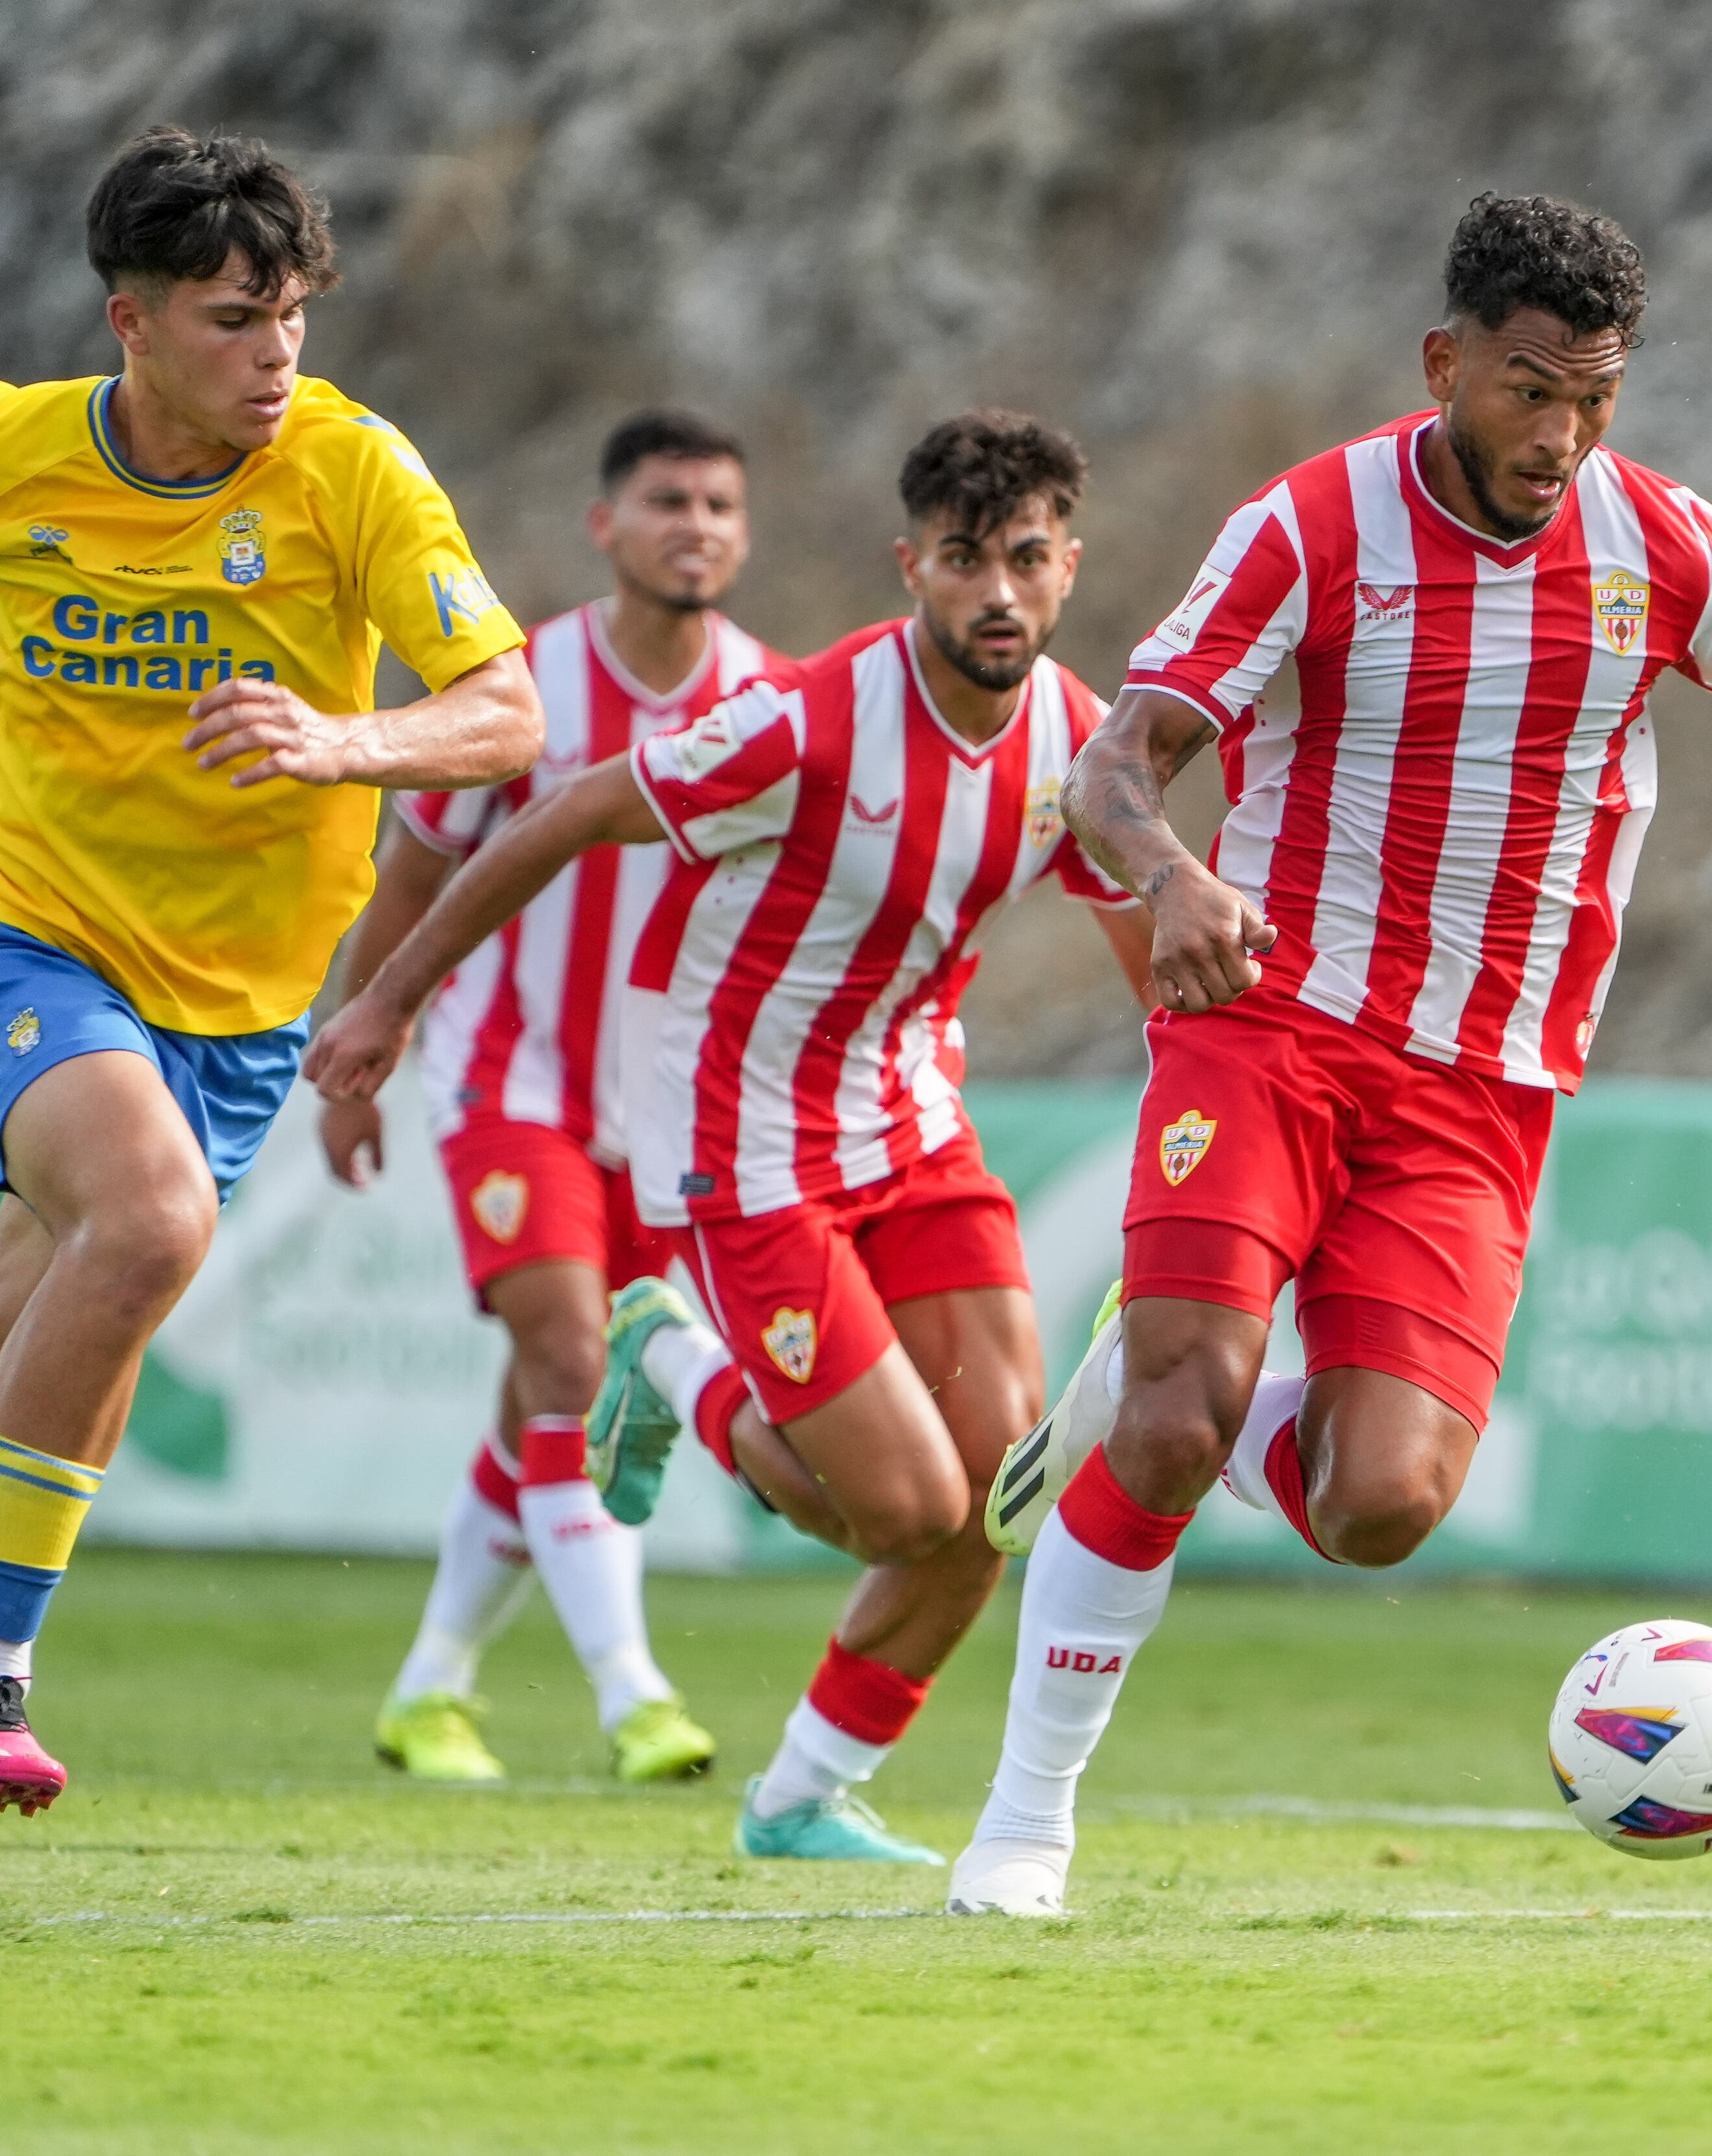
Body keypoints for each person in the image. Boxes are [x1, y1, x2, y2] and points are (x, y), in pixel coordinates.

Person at [948, 193, 1712, 1916]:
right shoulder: (1310, 526)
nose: (1561, 433)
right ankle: (1024, 1821)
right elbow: (1116, 763)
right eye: (1528, 389)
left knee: (1383, 1505)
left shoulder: (1663, 545)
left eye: (1594, 395)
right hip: (1272, 1027)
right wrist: (1180, 875)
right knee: (1180, 1406)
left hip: (1484, 1087)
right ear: (1446, 362)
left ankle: (1145, 1405)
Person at [308, 411, 1158, 1861]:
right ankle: (670, 1357)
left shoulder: (1079, 744)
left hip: (913, 1124)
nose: (996, 594)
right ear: (912, 569)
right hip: (744, 1139)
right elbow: (566, 811)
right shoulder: (808, 719)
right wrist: (385, 1001)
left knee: (999, 1502)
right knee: (904, 1512)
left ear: (1069, 566)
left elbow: (1155, 960)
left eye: (1025, 559)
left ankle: (799, 1797)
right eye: (964, 561)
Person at [0, 126, 536, 1811]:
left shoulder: (356, 473)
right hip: (33, 940)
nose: (276, 356)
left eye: (291, 317)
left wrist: (348, 737)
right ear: (126, 322)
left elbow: (509, 710)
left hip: (238, 1016)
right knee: (147, 1218)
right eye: (231, 319)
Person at [325, 410, 778, 1787]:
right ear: (608, 525)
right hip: (505, 1074)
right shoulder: (520, 688)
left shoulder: (773, 700)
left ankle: (429, 1686)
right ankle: (634, 1693)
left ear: (741, 534)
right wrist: (366, 1037)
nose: (693, 523)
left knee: (544, 1387)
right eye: (665, 501)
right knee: (577, 1361)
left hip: (669, 1115)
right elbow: (410, 879)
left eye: (716, 503)